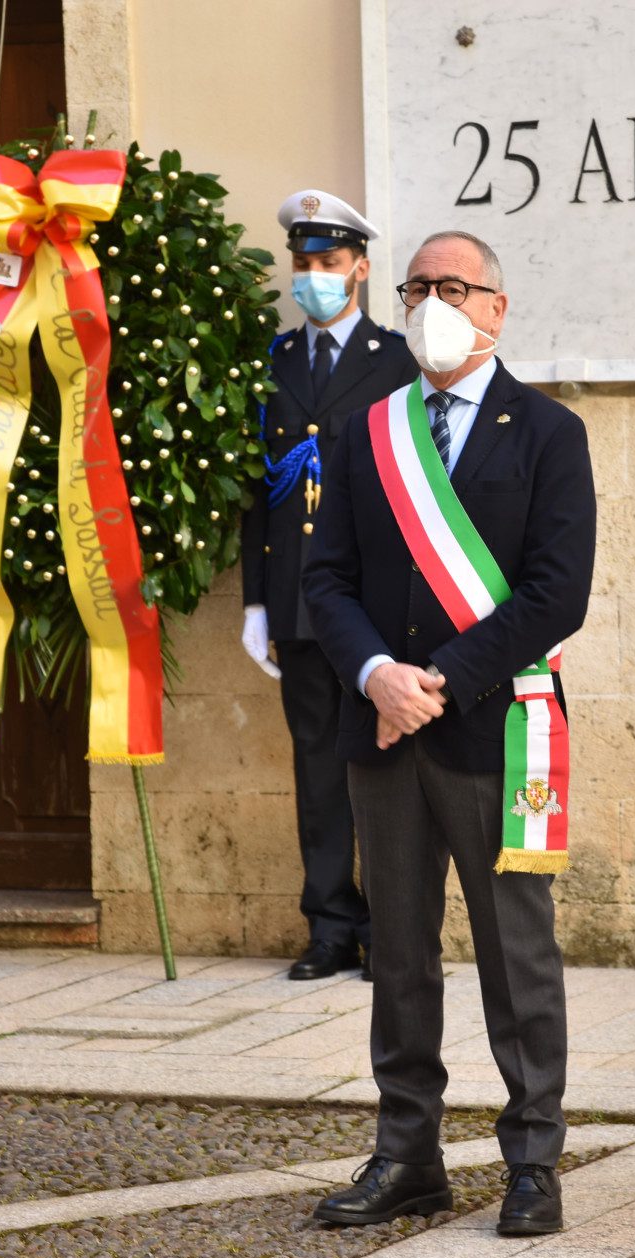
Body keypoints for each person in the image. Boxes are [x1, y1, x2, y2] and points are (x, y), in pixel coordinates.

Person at [302, 231, 595, 1235]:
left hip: (493, 729)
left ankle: (530, 1160)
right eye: (417, 287)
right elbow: (325, 580)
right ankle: (405, 1153)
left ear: (495, 308)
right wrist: (378, 675)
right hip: (383, 731)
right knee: (398, 953)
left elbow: (558, 594)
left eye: (453, 287)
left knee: (518, 954)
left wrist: (443, 678)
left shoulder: (546, 434)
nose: (432, 302)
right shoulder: (365, 432)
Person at [241, 190, 416, 982]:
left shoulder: (395, 362)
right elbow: (257, 491)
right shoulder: (273, 364)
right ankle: (328, 926)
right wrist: (256, 600)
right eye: (304, 264)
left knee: (382, 769)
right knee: (316, 767)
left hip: (375, 605)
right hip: (300, 600)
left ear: (362, 269)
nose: (315, 277)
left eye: (330, 263)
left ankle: (389, 928)